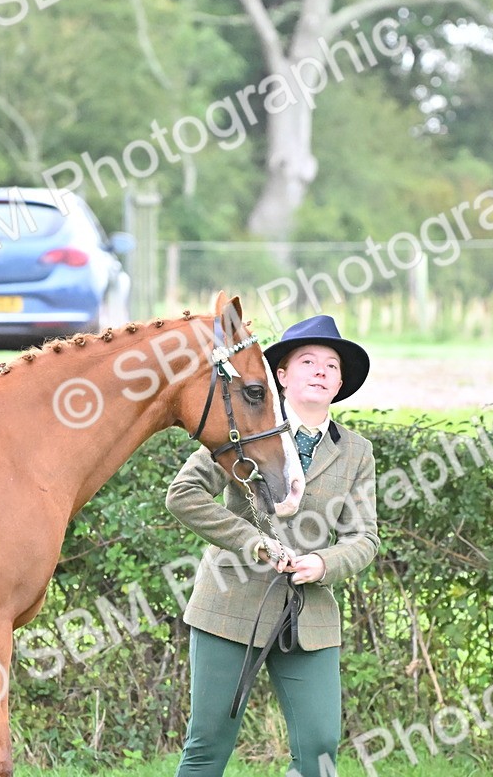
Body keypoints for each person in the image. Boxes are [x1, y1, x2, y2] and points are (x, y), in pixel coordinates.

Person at [166, 314, 379, 777]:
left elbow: (364, 538)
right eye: (308, 361)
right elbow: (182, 494)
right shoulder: (243, 426)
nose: (321, 370)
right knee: (208, 745)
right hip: (229, 606)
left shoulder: (357, 452)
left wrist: (322, 563)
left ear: (340, 383)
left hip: (309, 615)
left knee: (321, 751)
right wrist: (253, 541)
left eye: (331, 365)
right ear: (280, 375)